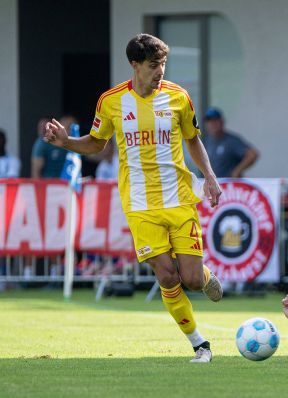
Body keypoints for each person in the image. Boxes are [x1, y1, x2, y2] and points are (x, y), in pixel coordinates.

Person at [43, 33, 224, 362]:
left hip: (179, 198)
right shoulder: (111, 101)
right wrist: (67, 142)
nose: (160, 72)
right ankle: (200, 344)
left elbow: (193, 139)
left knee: (193, 280)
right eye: (154, 65)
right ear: (135, 65)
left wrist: (209, 176)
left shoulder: (179, 97)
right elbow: (97, 143)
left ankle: (207, 276)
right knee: (167, 276)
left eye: (164, 65)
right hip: (139, 204)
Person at [201, 107, 259, 178]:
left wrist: (236, 171)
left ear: (222, 122)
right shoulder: (205, 141)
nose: (212, 124)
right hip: (211, 185)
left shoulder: (231, 141)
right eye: (209, 121)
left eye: (215, 121)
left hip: (229, 185)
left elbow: (252, 154)